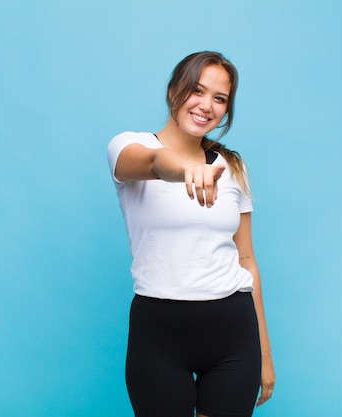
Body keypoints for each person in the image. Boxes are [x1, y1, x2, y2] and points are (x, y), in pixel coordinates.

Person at [107, 51, 275, 417]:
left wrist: (263, 355)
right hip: (159, 334)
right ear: (173, 91)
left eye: (220, 98)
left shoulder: (232, 167)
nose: (206, 106)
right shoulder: (127, 146)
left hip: (233, 331)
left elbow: (246, 260)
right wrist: (185, 168)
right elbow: (153, 162)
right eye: (197, 91)